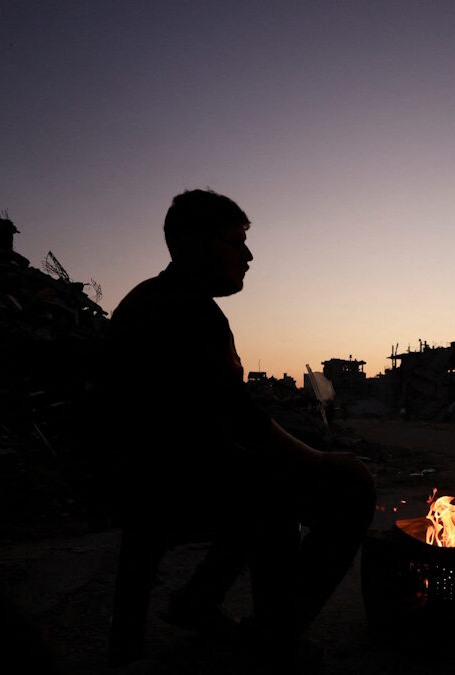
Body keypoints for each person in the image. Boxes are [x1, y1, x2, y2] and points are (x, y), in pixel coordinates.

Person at [101, 189, 376, 669]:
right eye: (236, 241)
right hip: (163, 481)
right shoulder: (186, 312)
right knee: (349, 488)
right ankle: (274, 636)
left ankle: (198, 600)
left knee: (261, 478)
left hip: (141, 473)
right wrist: (322, 460)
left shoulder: (152, 299)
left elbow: (216, 417)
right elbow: (240, 421)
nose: (248, 255)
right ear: (192, 243)